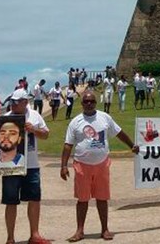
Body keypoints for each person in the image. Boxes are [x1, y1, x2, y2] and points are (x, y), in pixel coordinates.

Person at [61, 90, 139, 242]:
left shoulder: (104, 117)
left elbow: (119, 132)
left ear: (96, 103)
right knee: (82, 200)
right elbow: (68, 145)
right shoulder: (75, 122)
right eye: (86, 101)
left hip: (102, 164)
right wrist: (63, 166)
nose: (89, 104)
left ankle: (105, 229)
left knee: (102, 198)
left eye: (92, 101)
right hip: (82, 164)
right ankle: (79, 231)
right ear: (82, 104)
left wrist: (132, 145)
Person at [1, 88, 51, 244]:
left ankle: (34, 234)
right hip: (11, 165)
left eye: (16, 102)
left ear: (25, 102)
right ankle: (10, 238)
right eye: (12, 102)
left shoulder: (35, 115)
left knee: (34, 199)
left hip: (31, 164)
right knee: (10, 201)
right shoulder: (5, 117)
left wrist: (33, 129)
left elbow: (46, 134)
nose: (13, 105)